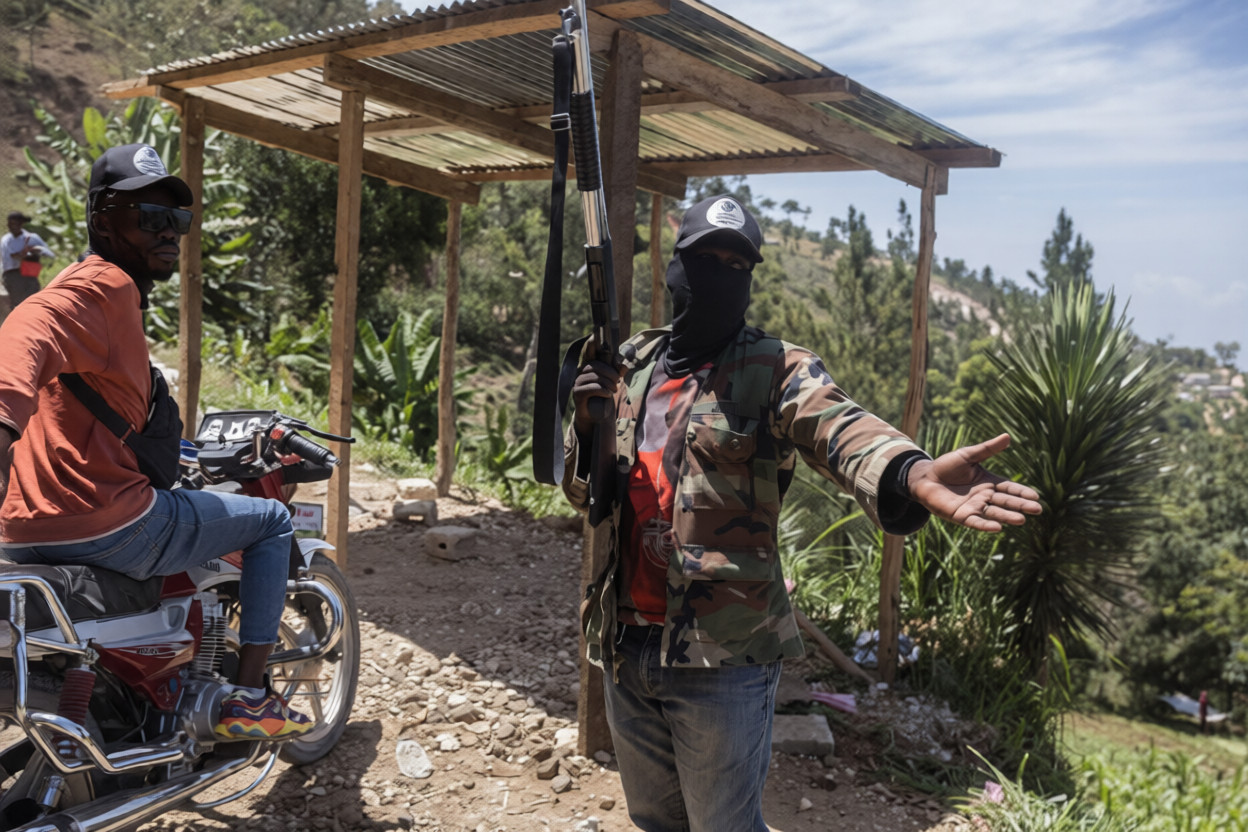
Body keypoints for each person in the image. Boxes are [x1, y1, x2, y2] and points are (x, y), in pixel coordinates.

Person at [563, 194, 1043, 832]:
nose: (721, 273)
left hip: (723, 656)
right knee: (656, 820)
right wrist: (587, 424)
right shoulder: (633, 365)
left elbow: (840, 428)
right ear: (677, 269)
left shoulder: (773, 367)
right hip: (626, 640)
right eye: (707, 258)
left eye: (739, 265)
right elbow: (586, 497)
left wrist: (912, 471)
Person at [0, 143, 312, 741]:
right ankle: (248, 697)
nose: (169, 232)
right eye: (149, 218)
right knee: (270, 519)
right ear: (101, 219)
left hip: (22, 531)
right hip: (106, 523)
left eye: (179, 220)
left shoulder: (101, 294)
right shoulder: (104, 286)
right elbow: (29, 328)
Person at [1, 210, 55, 326]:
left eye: (15, 224)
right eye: (10, 224)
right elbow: (6, 259)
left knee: (29, 306)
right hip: (10, 277)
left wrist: (35, 250)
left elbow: (49, 253)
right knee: (16, 307)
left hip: (27, 276)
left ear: (21, 224)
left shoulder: (31, 238)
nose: (12, 227)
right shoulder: (5, 240)